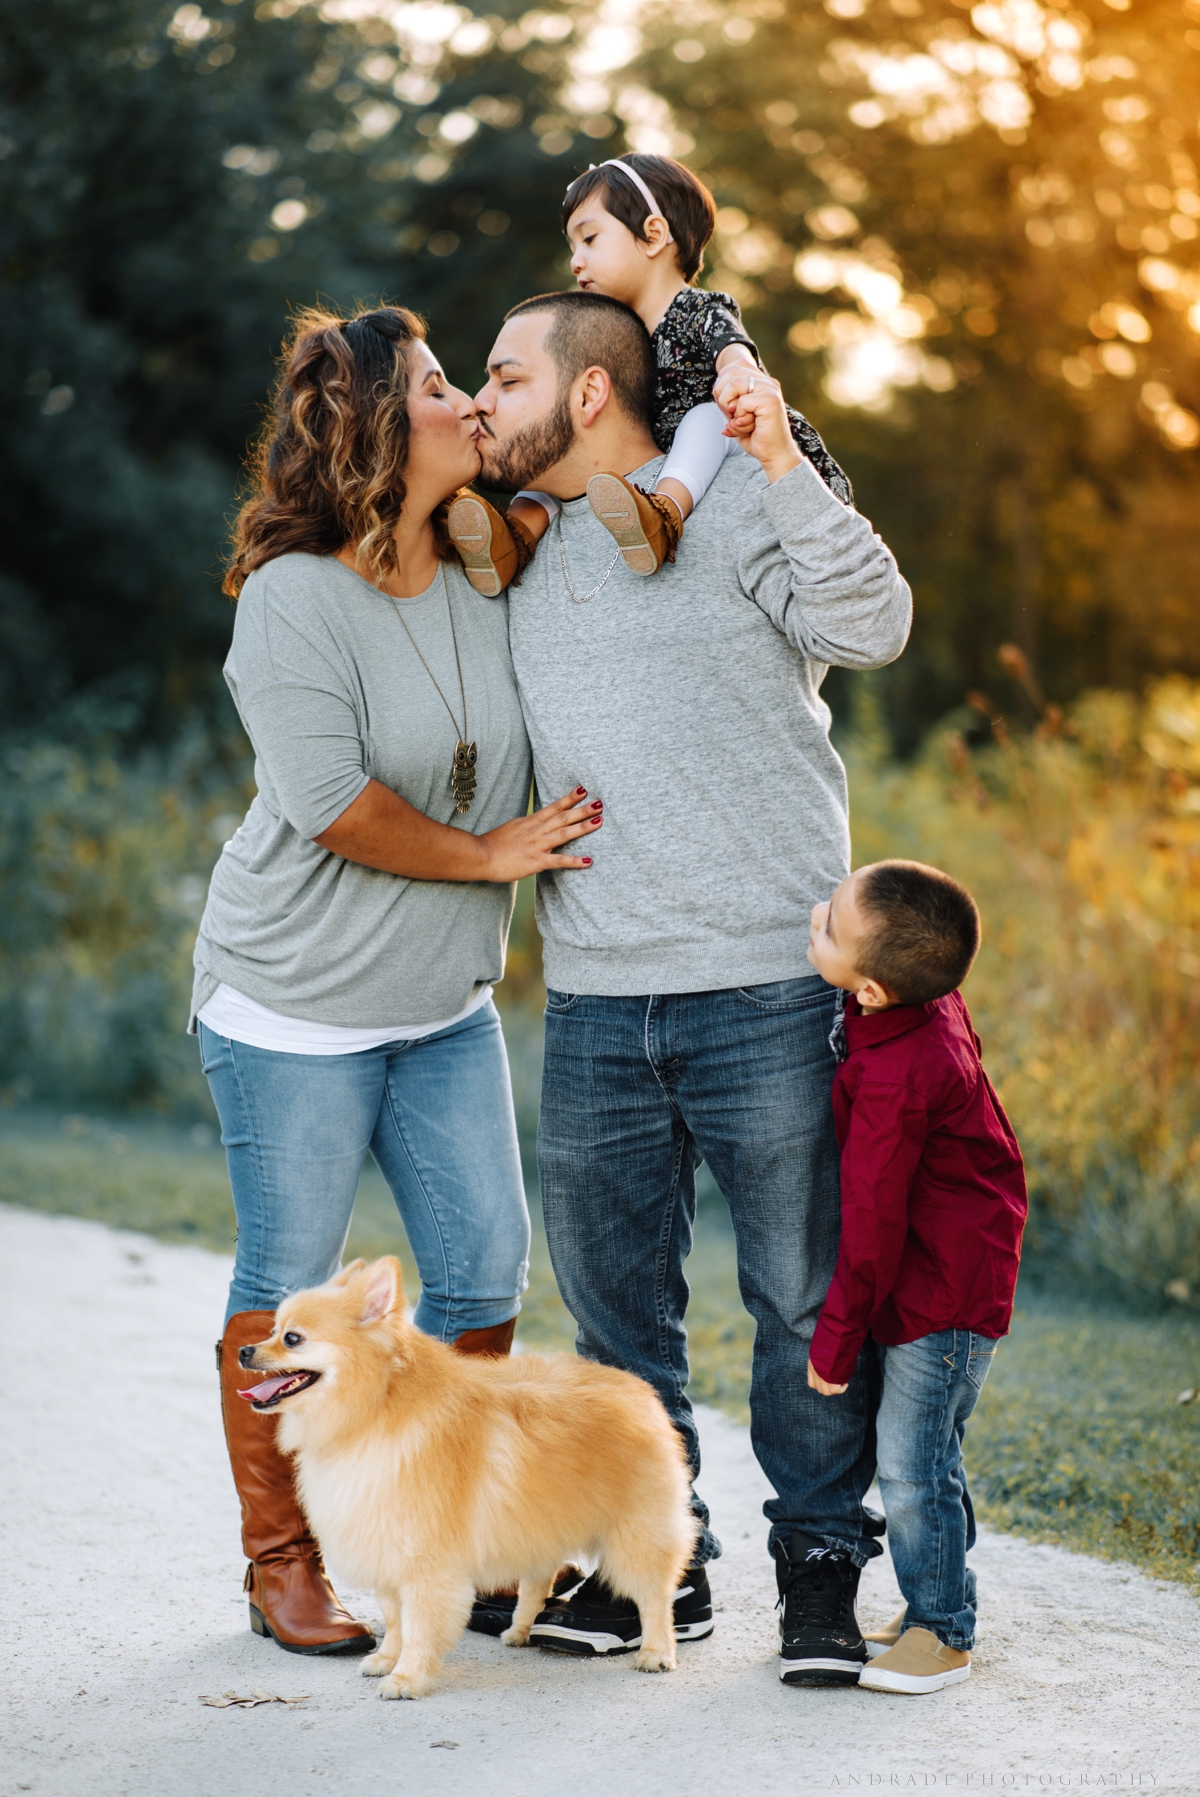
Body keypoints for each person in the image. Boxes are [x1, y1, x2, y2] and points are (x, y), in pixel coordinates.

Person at [471, 287, 912, 1684]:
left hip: (765, 987)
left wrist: (778, 457)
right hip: (597, 996)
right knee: (614, 1313)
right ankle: (658, 1566)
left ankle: (824, 1567)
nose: (482, 399)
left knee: (799, 1298)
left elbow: (878, 621)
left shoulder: (724, 512)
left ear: (588, 393)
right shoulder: (513, 552)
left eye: (502, 373)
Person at [192, 303, 600, 1657]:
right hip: (292, 1002)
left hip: (440, 1009)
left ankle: (450, 1540)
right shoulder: (295, 597)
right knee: (294, 1278)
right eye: (438, 385)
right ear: (377, 425)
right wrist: (488, 859)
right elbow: (330, 803)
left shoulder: (490, 567)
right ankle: (284, 1561)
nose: (466, 403)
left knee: (483, 1266)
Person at [804, 860, 1028, 1695]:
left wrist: (834, 1341)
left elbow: (870, 1220)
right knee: (931, 1455)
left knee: (910, 1466)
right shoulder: (915, 1008)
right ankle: (938, 1595)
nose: (813, 917)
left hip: (943, 1296)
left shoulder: (900, 1072)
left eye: (827, 924)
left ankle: (943, 1628)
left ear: (867, 990)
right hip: (953, 1273)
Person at [445, 152, 851, 597]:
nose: (577, 261)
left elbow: (734, 354)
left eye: (590, 239)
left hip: (734, 439)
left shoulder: (697, 310)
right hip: (665, 452)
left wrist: (739, 377)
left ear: (654, 235)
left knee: (704, 416)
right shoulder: (620, 336)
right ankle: (512, 541)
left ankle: (664, 517)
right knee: (553, 451)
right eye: (573, 248)